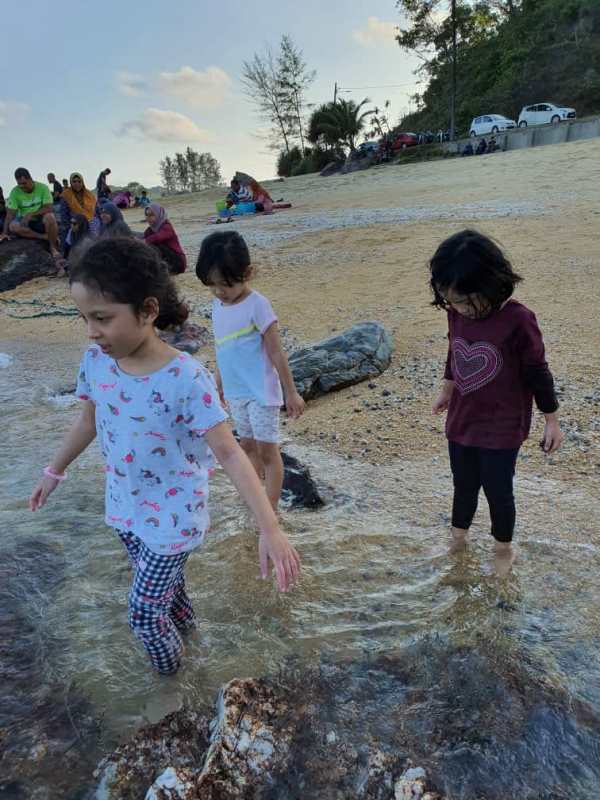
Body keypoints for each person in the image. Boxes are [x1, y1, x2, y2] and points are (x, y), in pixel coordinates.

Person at [29, 237, 300, 675]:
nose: (91, 331)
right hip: (125, 509)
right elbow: (88, 421)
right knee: (168, 598)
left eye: (102, 318)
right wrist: (53, 470)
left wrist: (270, 528)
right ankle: (195, 648)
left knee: (142, 613)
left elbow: (230, 454)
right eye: (85, 318)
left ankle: (172, 684)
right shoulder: (96, 362)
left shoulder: (186, 378)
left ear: (148, 310)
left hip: (174, 518)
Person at [430, 230, 564, 575]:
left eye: (464, 301)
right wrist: (447, 389)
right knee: (463, 485)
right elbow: (454, 349)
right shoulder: (456, 313)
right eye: (450, 301)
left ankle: (503, 547)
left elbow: (537, 371)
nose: (458, 308)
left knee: (498, 490)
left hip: (502, 426)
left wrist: (551, 420)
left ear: (490, 284)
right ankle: (458, 537)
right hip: (462, 420)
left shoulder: (518, 319)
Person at [196, 231, 306, 510]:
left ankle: (270, 510)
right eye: (212, 286)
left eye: (225, 285)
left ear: (247, 273)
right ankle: (254, 500)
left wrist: (291, 392)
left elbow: (276, 352)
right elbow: (223, 348)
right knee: (246, 446)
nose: (219, 292)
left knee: (268, 450)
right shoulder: (218, 306)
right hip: (236, 391)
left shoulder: (258, 305)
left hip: (261, 391)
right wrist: (218, 383)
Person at [0, 167, 63, 263]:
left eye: (24, 183)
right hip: (26, 223)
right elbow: (10, 214)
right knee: (13, 226)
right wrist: (5, 232)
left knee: (50, 217)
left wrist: (31, 214)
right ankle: (45, 237)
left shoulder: (42, 188)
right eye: (19, 184)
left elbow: (49, 208)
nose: (22, 186)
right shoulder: (15, 192)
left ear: (30, 179)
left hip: (41, 220)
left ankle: (53, 248)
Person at [143, 203, 186, 274]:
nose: (148, 218)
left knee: (154, 246)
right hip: (165, 262)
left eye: (151, 215)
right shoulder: (149, 231)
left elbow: (157, 237)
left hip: (178, 262)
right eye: (146, 215)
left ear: (159, 215)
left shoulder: (167, 227)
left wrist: (143, 241)